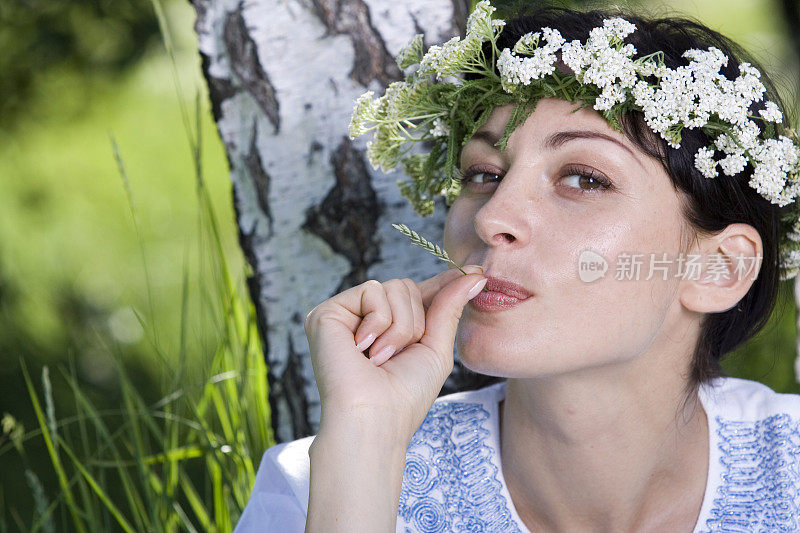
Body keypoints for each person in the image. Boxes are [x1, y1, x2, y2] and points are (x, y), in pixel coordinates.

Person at [235, 2, 800, 531]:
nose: (492, 219)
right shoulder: (321, 485)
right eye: (483, 174)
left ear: (718, 269)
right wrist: (364, 440)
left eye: (583, 178)